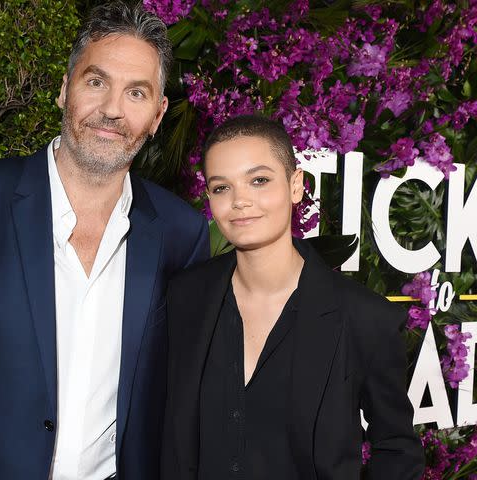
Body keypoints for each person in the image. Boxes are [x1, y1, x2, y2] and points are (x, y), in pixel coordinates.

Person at [0, 3, 209, 479]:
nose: (113, 110)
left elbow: (181, 401)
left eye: (136, 93)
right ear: (64, 89)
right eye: (96, 81)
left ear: (158, 115)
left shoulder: (181, 233)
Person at [161, 114, 424, 479]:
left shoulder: (364, 317)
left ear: (296, 185)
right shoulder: (185, 296)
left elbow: (397, 448)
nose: (240, 201)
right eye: (222, 187)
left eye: (259, 181)